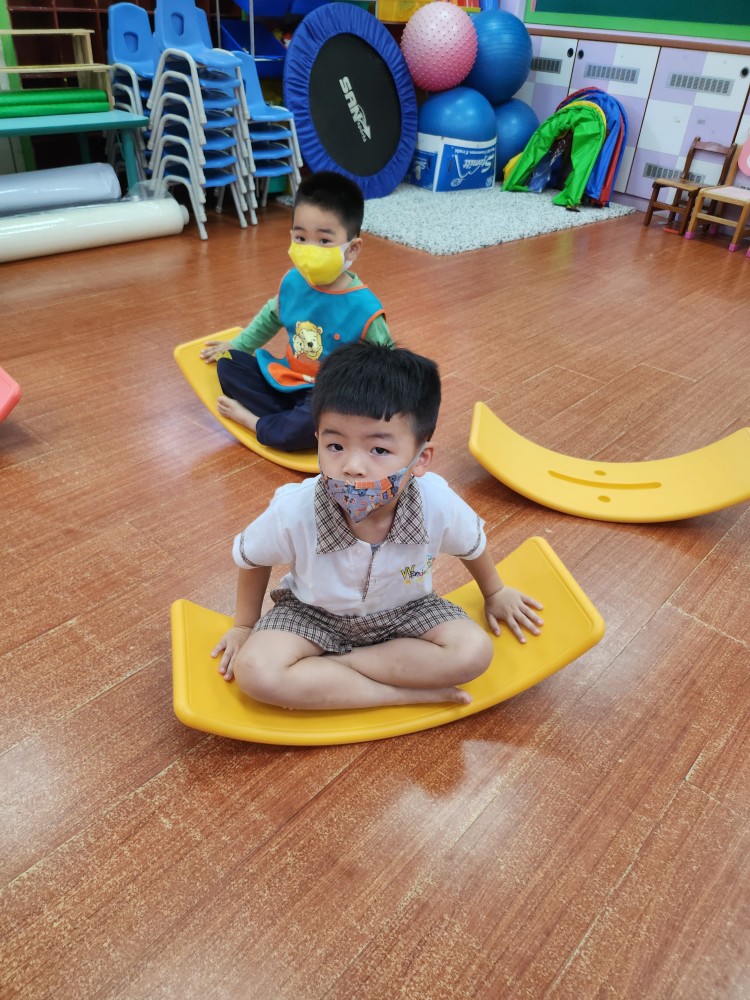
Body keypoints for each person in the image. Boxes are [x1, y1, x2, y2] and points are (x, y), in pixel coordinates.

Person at [211, 342, 544, 711]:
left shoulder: (436, 502)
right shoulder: (295, 508)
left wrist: (495, 592)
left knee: (473, 651)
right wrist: (244, 626)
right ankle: (399, 694)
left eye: (379, 450)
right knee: (255, 670)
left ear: (421, 459)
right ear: (318, 440)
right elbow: (253, 557)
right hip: (312, 614)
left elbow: (471, 544)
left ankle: (334, 669)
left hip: (408, 611)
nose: (352, 467)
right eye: (335, 446)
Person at [200, 171, 392, 452]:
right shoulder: (293, 282)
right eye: (300, 238)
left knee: (320, 415)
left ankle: (257, 423)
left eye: (324, 241)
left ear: (352, 249)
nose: (309, 249)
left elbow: (389, 369)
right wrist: (237, 345)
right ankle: (288, 423)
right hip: (288, 378)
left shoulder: (365, 309)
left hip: (327, 396)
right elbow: (271, 316)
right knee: (229, 363)